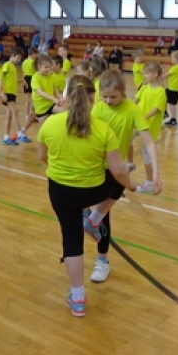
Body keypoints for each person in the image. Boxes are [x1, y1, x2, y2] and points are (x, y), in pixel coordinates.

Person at [37, 75, 136, 317]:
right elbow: (118, 170)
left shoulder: (49, 124)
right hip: (91, 191)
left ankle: (78, 298)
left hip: (61, 192)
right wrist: (132, 186)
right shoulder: (103, 129)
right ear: (93, 98)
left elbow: (42, 157)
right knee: (120, 178)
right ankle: (94, 218)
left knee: (71, 241)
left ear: (67, 97)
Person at [88, 70, 159, 283]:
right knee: (99, 210)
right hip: (93, 166)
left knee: (105, 211)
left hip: (114, 168)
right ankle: (90, 221)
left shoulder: (132, 110)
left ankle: (102, 260)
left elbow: (149, 142)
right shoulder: (98, 109)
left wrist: (156, 173)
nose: (108, 101)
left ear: (123, 91)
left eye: (113, 97)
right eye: (105, 96)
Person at [134, 62, 166, 190]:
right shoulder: (144, 87)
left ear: (155, 74)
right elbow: (135, 101)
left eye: (147, 73)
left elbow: (155, 110)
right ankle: (129, 163)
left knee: (146, 153)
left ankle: (150, 182)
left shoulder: (161, 91)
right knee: (125, 139)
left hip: (149, 126)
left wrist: (142, 119)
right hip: (138, 123)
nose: (145, 75)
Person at [17, 54, 62, 142]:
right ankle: (22, 132)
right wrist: (53, 98)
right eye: (46, 67)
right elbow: (40, 92)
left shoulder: (51, 77)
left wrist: (62, 98)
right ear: (39, 66)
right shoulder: (35, 78)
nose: (48, 69)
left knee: (64, 111)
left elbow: (56, 92)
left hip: (50, 104)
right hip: (40, 107)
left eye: (49, 67)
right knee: (43, 131)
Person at [0, 47, 23, 145]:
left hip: (12, 94)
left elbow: (11, 81)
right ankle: (20, 133)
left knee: (9, 116)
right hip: (7, 93)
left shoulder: (13, 67)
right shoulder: (7, 65)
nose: (19, 60)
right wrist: (2, 93)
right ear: (12, 56)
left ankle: (6, 137)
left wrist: (21, 81)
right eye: (18, 58)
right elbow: (1, 78)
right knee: (15, 110)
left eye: (20, 58)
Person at [163, 50, 178, 126]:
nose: (171, 59)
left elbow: (166, 75)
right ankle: (165, 113)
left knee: (171, 104)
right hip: (173, 88)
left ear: (176, 59)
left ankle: (173, 119)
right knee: (163, 97)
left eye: (172, 58)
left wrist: (157, 77)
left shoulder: (176, 68)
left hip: (174, 89)